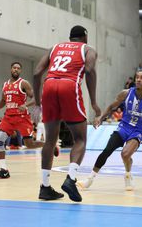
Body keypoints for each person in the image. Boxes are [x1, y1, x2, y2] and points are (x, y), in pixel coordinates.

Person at [32, 25, 101, 202]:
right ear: (85, 37)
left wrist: (38, 102)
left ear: (70, 38)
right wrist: (93, 102)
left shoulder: (54, 48)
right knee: (80, 139)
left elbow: (37, 72)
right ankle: (70, 179)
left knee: (50, 140)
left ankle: (45, 187)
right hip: (69, 85)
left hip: (49, 86)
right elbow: (89, 70)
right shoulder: (88, 49)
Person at [77, 70, 142, 191]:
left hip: (138, 131)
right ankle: (89, 179)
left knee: (125, 154)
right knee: (107, 150)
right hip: (123, 127)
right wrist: (101, 118)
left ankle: (128, 175)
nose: (138, 79)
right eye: (137, 77)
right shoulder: (126, 93)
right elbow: (112, 107)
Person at [0, 62, 58, 179]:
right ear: (11, 69)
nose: (16, 69)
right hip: (8, 117)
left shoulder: (23, 83)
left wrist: (26, 105)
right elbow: (3, 101)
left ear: (20, 71)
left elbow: (37, 98)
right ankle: (3, 170)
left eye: (18, 68)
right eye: (14, 67)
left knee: (29, 144)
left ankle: (49, 145)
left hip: (22, 118)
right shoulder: (5, 84)